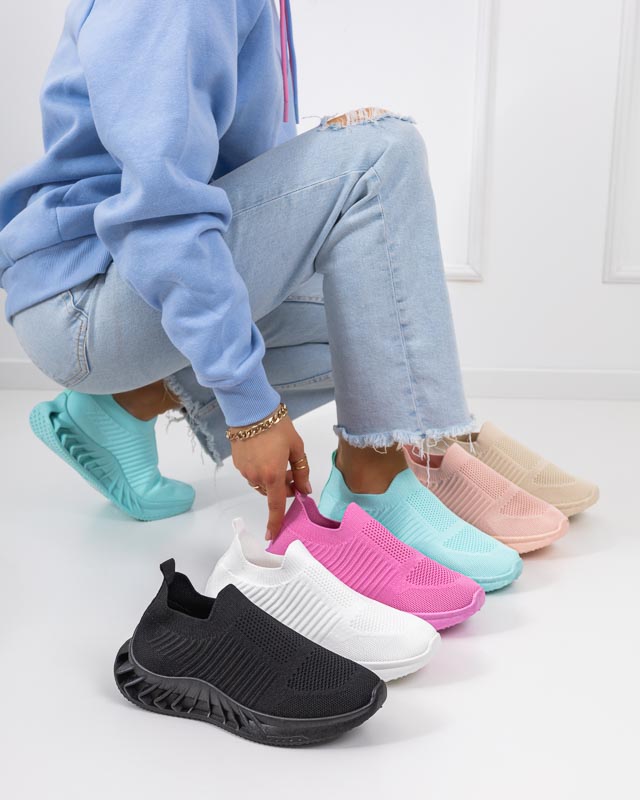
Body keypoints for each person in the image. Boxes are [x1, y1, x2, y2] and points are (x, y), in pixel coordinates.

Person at [0, 0, 473, 539]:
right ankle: (374, 488)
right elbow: (158, 214)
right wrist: (251, 408)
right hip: (84, 295)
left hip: (129, 278)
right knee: (383, 151)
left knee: (389, 314)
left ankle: (125, 407)